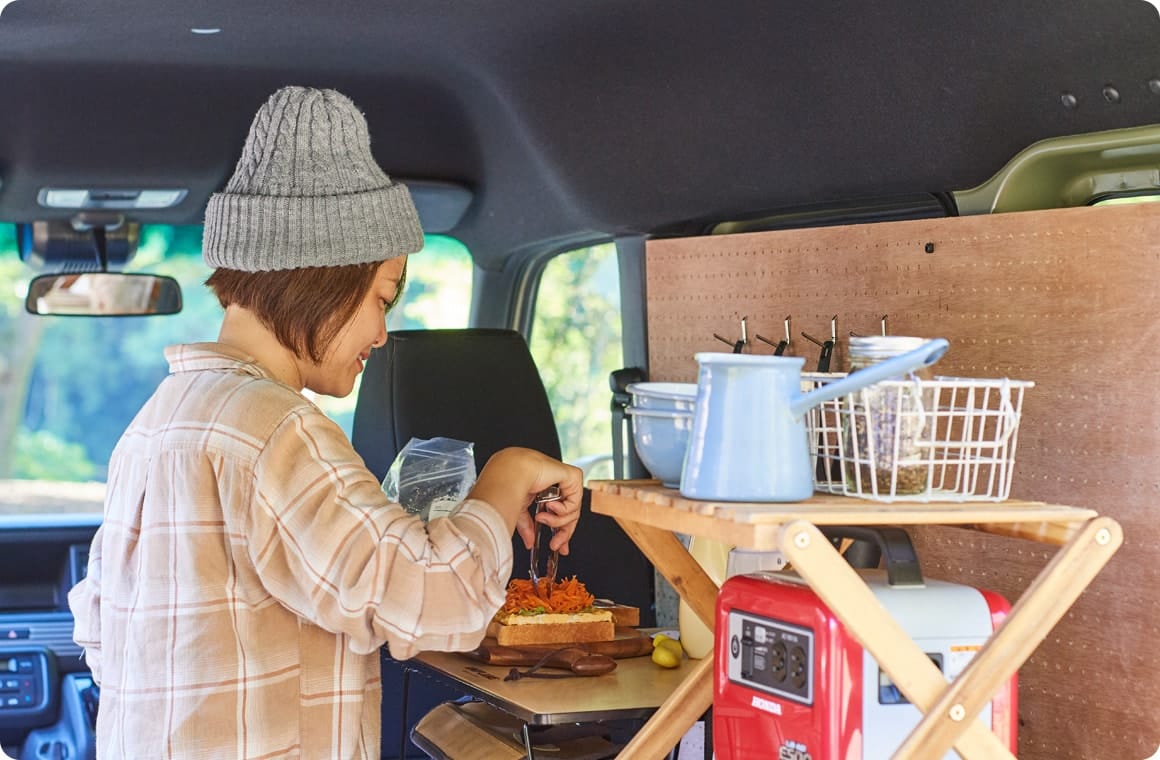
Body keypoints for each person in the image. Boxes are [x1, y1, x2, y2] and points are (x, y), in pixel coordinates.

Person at [67, 86, 583, 759]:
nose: (381, 331)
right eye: (380, 298)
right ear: (323, 277)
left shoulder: (154, 427)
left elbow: (100, 633)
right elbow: (433, 599)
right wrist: (507, 475)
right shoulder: (276, 430)